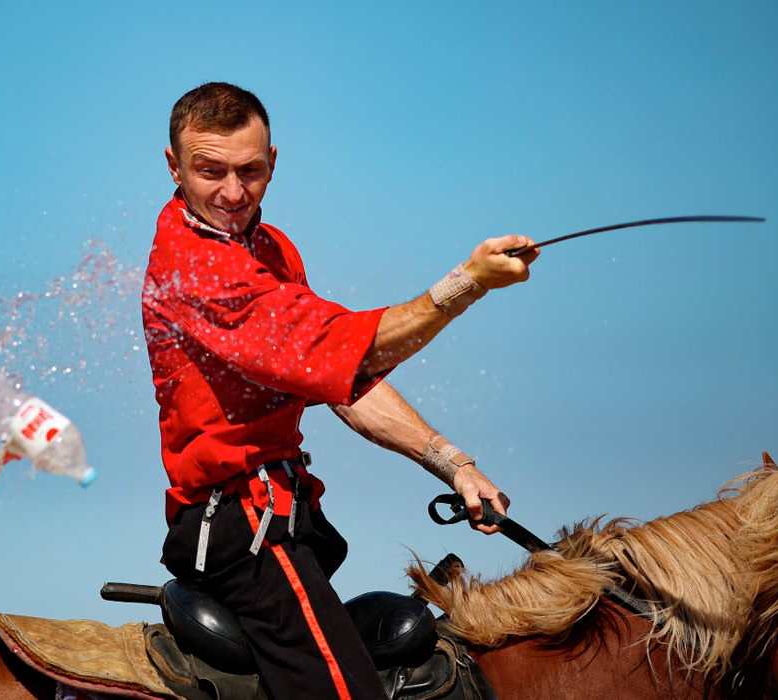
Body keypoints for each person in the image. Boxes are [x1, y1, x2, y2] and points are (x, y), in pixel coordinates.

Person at [141, 82, 539, 700]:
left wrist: (452, 463)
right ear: (174, 166)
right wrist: (467, 284)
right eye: (209, 170)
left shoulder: (271, 251)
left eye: (249, 170)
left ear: (273, 162)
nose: (232, 192)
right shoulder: (195, 266)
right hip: (239, 527)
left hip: (291, 517)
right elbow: (344, 349)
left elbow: (342, 376)